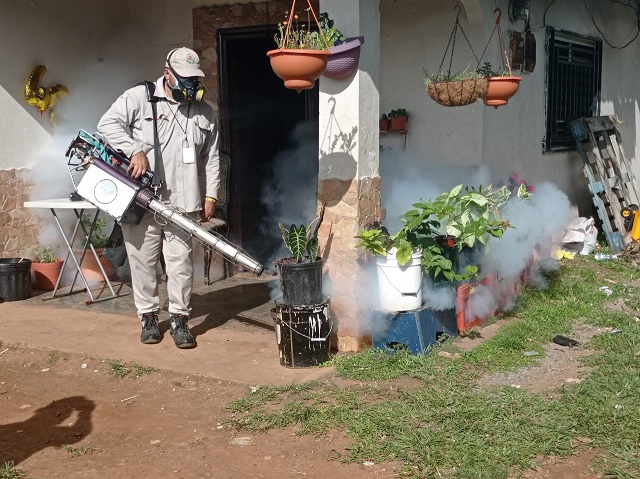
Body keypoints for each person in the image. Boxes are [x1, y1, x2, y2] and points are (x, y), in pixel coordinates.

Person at [97, 47, 220, 349]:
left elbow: (212, 157)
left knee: (180, 264)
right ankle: (149, 317)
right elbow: (106, 125)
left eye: (195, 79)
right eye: (185, 79)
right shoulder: (140, 97)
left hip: (184, 201)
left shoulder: (205, 111)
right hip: (142, 200)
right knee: (143, 263)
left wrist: (211, 194)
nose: (191, 85)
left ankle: (179, 319)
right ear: (168, 73)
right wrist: (134, 149)